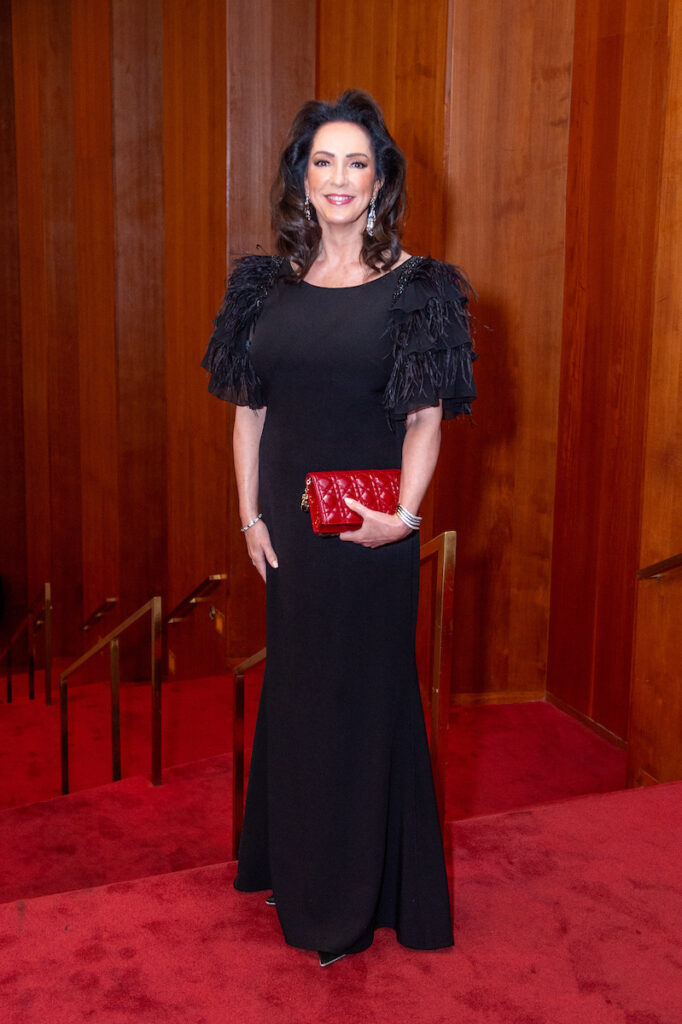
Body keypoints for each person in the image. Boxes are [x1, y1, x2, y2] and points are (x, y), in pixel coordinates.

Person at [202, 89, 476, 966]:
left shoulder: (417, 287)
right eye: (323, 161)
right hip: (287, 536)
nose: (340, 177)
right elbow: (247, 412)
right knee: (300, 695)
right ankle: (293, 856)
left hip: (371, 541)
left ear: (382, 177)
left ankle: (347, 903)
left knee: (363, 703)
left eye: (358, 161)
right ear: (302, 177)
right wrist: (248, 515)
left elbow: (426, 419)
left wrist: (402, 520)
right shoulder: (262, 286)